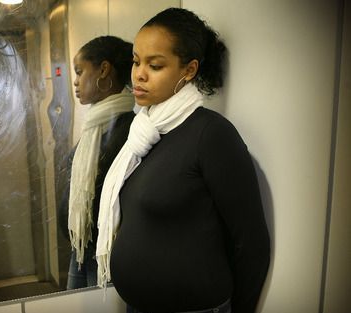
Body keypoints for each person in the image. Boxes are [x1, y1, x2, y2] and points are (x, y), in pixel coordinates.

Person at [96, 8, 270, 313]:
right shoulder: (142, 131)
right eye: (136, 61)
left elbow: (251, 243)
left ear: (188, 70)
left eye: (155, 65)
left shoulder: (211, 135)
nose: (139, 73)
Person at [59, 35, 135, 290]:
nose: (75, 81)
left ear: (104, 70)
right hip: (81, 248)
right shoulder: (96, 125)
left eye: (80, 71)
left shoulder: (128, 128)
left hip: (104, 253)